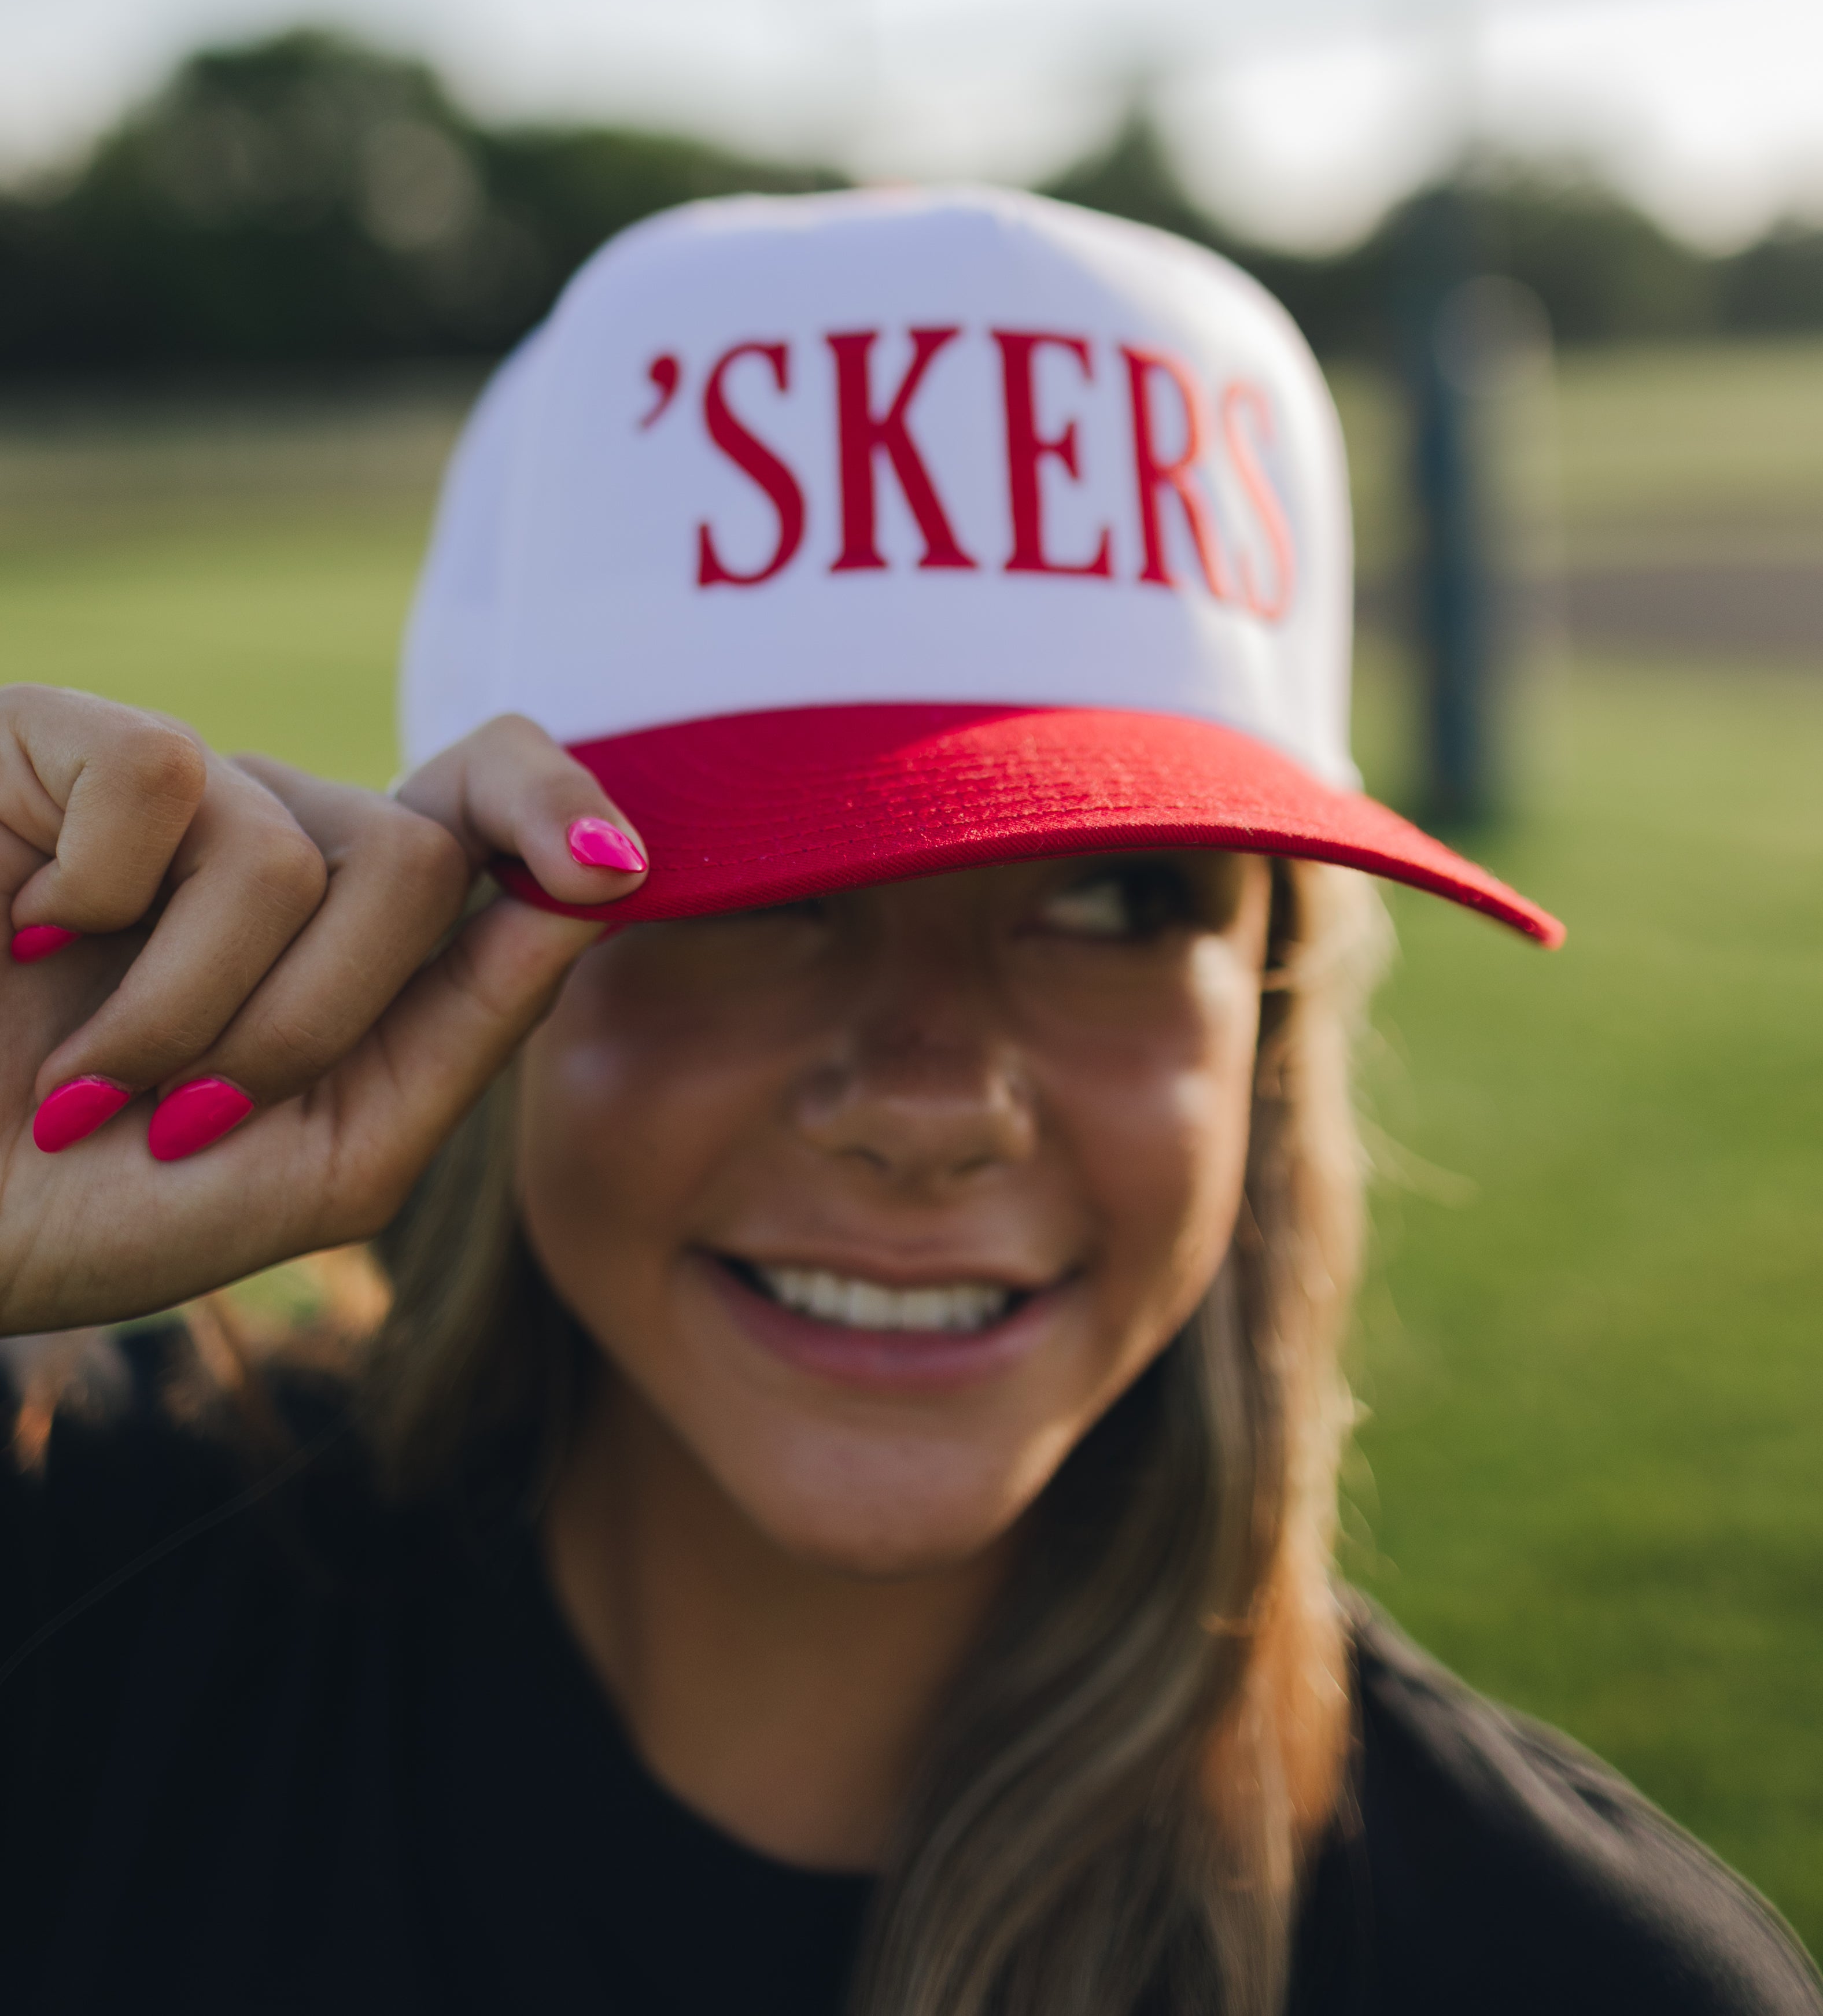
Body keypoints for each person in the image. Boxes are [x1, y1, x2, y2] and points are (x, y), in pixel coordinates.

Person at [1, 187, 1815, 2016]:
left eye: (1121, 898)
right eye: (752, 892)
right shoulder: (65, 1585)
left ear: (1270, 1021)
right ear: (460, 942)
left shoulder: (1579, 1978)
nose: (933, 1104)